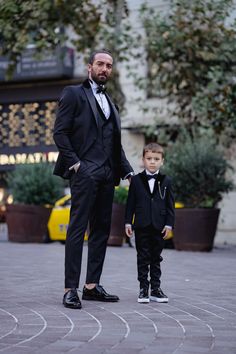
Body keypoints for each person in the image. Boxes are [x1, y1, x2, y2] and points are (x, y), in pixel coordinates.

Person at [53, 49, 134, 309]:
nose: (105, 69)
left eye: (109, 65)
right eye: (100, 64)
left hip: (108, 174)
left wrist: (128, 171)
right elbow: (60, 133)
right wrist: (76, 164)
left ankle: (91, 286)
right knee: (77, 229)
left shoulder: (112, 103)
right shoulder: (74, 94)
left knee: (101, 231)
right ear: (90, 67)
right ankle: (70, 289)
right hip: (84, 173)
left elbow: (114, 144)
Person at [125, 143, 175, 303]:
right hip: (141, 225)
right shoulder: (136, 180)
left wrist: (169, 224)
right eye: (149, 158)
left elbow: (170, 205)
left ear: (162, 161)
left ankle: (155, 289)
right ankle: (143, 289)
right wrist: (128, 223)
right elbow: (130, 204)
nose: (152, 162)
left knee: (156, 258)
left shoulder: (166, 181)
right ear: (143, 160)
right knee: (143, 257)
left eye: (156, 159)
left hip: (159, 227)